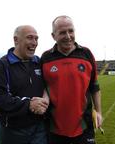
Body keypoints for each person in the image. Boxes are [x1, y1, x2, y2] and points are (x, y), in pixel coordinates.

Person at [41, 15, 102, 144]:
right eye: (62, 32)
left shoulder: (86, 54)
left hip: (84, 126)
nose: (68, 36)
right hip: (54, 128)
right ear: (53, 36)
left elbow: (95, 87)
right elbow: (43, 87)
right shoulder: (45, 58)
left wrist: (99, 112)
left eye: (71, 31)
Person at [0, 25, 49, 144]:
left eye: (36, 39)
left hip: (39, 127)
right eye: (30, 38)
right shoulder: (3, 65)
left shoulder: (39, 62)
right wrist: (28, 104)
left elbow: (49, 85)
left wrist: (46, 97)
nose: (34, 42)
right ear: (16, 40)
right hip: (13, 130)